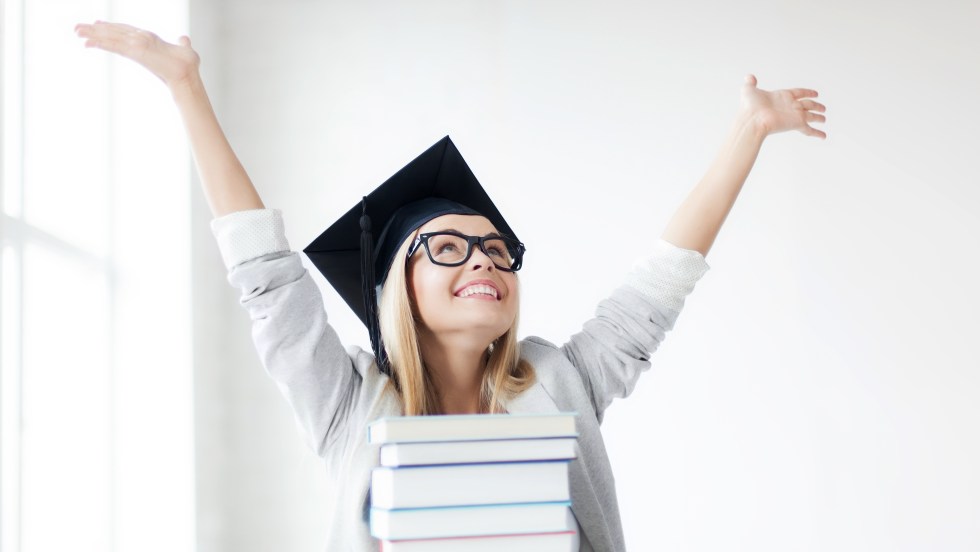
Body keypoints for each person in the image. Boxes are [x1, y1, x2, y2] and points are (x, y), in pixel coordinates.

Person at [75, 20, 827, 552]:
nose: (485, 262)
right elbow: (267, 279)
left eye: (498, 250)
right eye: (451, 247)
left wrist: (748, 133)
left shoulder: (561, 384)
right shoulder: (350, 406)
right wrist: (186, 89)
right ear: (397, 283)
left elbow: (656, 288)